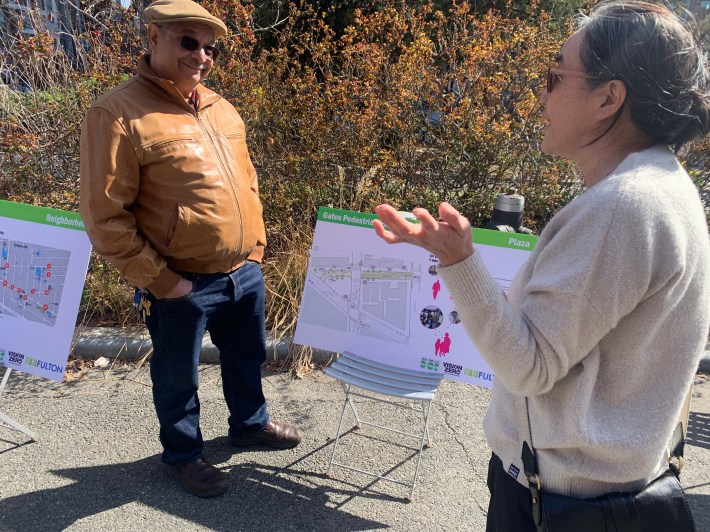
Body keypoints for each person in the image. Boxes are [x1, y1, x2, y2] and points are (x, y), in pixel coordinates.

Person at [373, 1, 709, 529]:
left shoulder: (621, 208)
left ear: (608, 98)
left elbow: (529, 365)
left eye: (555, 76)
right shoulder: (659, 186)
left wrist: (459, 260)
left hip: (565, 502)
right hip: (598, 489)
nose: (542, 94)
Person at [79, 0, 302, 498]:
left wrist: (257, 250)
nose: (200, 55)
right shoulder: (116, 112)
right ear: (154, 36)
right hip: (180, 280)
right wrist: (163, 282)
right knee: (178, 376)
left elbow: (248, 184)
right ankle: (182, 454)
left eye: (210, 47)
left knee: (247, 355)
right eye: (187, 41)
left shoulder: (222, 107)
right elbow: (105, 217)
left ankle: (249, 423)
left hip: (243, 272)